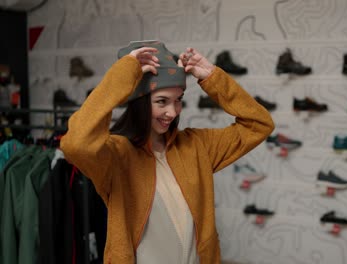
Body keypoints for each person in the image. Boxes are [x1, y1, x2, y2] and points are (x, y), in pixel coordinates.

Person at [60, 41, 275, 264]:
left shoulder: (196, 146)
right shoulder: (117, 155)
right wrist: (122, 75)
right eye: (162, 101)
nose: (172, 112)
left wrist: (213, 77)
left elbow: (259, 124)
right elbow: (76, 144)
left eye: (178, 100)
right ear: (139, 103)